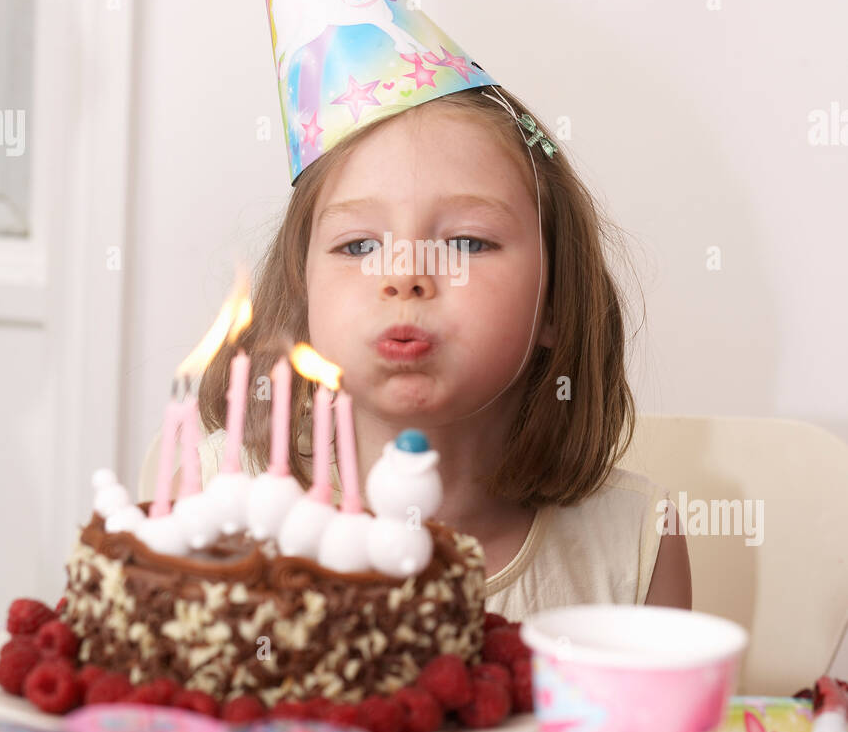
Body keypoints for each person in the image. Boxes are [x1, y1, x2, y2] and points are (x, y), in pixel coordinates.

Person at [192, 82, 691, 617]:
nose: (404, 275)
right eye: (359, 245)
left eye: (467, 243)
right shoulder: (215, 495)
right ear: (304, 295)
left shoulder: (637, 544)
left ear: (554, 298)